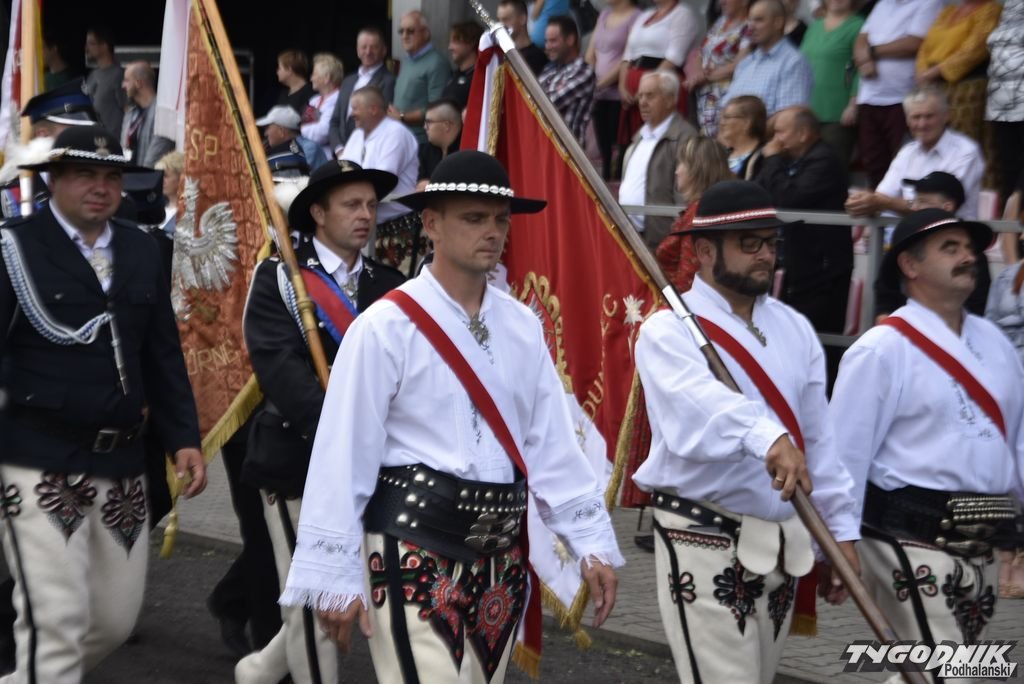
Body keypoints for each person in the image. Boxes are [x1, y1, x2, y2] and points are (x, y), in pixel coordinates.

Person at [279, 150, 623, 683]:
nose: (492, 232)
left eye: (500, 220)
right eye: (474, 218)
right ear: (432, 223)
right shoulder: (385, 327)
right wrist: (334, 577)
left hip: (501, 560)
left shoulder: (522, 325)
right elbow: (343, 455)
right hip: (411, 549)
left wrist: (590, 543)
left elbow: (551, 444)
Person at [0, 124, 206, 683]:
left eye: (111, 177)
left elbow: (162, 352)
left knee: (113, 621)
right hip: (36, 458)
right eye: (85, 174)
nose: (100, 187)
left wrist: (184, 437)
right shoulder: (14, 247)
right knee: (57, 622)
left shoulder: (143, 247)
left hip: (123, 462)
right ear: (53, 180)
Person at [633, 179, 860, 683]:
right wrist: (767, 436)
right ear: (704, 251)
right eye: (749, 242)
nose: (765, 255)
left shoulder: (794, 327)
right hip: (703, 536)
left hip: (782, 543)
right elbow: (698, 409)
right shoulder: (667, 330)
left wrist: (839, 531)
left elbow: (818, 440)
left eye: (770, 242)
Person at [235, 161, 406, 684]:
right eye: (351, 205)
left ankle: (258, 672)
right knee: (315, 597)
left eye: (371, 205)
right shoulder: (280, 279)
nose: (365, 215)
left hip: (374, 466)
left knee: (345, 591)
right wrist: (347, 437)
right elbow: (282, 375)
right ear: (317, 213)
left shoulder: (391, 285)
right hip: (298, 459)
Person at [829, 208, 1023, 650]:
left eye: (969, 248)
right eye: (949, 248)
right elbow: (844, 455)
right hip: (907, 538)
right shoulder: (881, 349)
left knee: (944, 670)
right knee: (945, 670)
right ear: (910, 265)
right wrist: (838, 541)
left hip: (982, 544)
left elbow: (1018, 441)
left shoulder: (995, 342)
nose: (968, 257)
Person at [755, 107, 852, 343]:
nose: (775, 140)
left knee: (817, 337)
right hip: (798, 263)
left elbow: (789, 198)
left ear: (803, 134)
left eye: (780, 132)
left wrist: (773, 159)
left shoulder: (824, 160)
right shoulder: (790, 160)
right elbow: (758, 191)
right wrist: (772, 162)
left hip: (823, 270)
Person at [846, 85, 985, 220]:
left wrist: (883, 203)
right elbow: (882, 195)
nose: (922, 124)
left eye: (929, 116)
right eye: (916, 117)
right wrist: (863, 201)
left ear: (946, 116)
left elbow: (940, 207)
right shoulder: (907, 152)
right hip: (903, 232)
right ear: (907, 120)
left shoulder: (966, 151)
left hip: (950, 232)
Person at [873, 171, 992, 317]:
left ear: (947, 207)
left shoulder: (976, 258)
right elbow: (885, 299)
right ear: (907, 264)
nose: (914, 207)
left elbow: (976, 308)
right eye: (914, 201)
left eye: (923, 201)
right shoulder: (904, 242)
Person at [852, 0, 943, 187]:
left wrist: (872, 51)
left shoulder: (928, 3)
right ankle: (878, 201)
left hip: (903, 98)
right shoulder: (883, 4)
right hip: (869, 96)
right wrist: (864, 59)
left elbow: (914, 43)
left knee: (904, 161)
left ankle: (901, 204)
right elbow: (861, 38)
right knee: (873, 161)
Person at [340, 86, 420, 273]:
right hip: (365, 225)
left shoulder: (396, 133)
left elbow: (382, 179)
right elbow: (344, 170)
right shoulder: (357, 135)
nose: (352, 114)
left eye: (356, 108)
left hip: (398, 228)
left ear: (373, 109)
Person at [619, 70, 697, 252]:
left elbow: (686, 195)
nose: (642, 102)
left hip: (661, 242)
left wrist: (677, 240)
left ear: (670, 100)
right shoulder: (640, 136)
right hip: (631, 236)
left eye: (650, 96)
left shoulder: (685, 137)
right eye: (640, 96)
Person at [915, 0, 1001, 155]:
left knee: (963, 142)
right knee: (935, 142)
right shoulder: (948, 11)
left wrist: (934, 72)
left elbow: (974, 51)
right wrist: (922, 72)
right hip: (935, 87)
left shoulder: (990, 10)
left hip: (967, 89)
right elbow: (925, 47)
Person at [618, 0, 700, 138]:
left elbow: (674, 57)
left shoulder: (683, 14)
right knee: (637, 138)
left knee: (662, 135)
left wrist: (645, 89)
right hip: (633, 86)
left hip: (660, 84)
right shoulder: (644, 16)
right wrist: (622, 86)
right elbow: (627, 55)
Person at [799, 0, 865, 168]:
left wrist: (853, 104)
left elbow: (861, 69)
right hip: (807, 113)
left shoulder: (860, 26)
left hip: (838, 115)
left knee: (832, 168)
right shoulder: (814, 27)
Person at [722, 0, 813, 117]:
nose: (750, 27)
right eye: (749, 20)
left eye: (758, 20)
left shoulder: (793, 63)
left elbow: (787, 118)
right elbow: (725, 106)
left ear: (778, 22)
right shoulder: (746, 63)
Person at [585, 0, 641, 180]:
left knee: (617, 149)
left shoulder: (635, 17)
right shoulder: (604, 15)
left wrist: (602, 83)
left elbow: (628, 56)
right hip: (598, 94)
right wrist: (590, 80)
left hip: (618, 95)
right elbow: (590, 53)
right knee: (603, 150)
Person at [686, 0, 752, 138]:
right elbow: (701, 52)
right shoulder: (720, 22)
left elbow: (740, 64)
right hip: (703, 92)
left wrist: (706, 76)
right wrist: (697, 73)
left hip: (726, 94)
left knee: (720, 137)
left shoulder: (749, 27)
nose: (721, 2)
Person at [328, 27, 397, 158]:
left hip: (368, 154)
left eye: (374, 47)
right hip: (340, 155)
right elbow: (334, 121)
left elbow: (381, 120)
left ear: (384, 50)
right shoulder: (348, 81)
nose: (368, 52)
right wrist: (339, 150)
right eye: (364, 47)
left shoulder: (389, 81)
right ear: (357, 50)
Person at [389, 11, 452, 145]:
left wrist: (401, 116)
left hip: (422, 142)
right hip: (400, 137)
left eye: (410, 31)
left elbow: (437, 108)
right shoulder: (407, 60)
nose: (404, 36)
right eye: (401, 31)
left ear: (426, 33)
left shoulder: (437, 63)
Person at [985, 0, 1024, 215]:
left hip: (1013, 100)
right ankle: (1010, 226)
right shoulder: (1007, 11)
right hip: (1001, 104)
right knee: (1008, 169)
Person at [538, 15, 596, 143]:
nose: (548, 46)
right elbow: (530, 96)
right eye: (546, 41)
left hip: (566, 150)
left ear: (570, 40)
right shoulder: (549, 70)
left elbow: (546, 104)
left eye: (553, 41)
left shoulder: (584, 71)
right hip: (543, 144)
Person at [120, 62, 174, 168]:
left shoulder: (163, 113)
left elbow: (155, 157)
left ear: (138, 83)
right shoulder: (130, 114)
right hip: (128, 175)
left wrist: (142, 175)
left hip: (147, 176)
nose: (123, 85)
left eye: (126, 80)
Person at [257, 105, 328, 173]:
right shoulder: (273, 148)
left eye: (267, 128)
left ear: (281, 131)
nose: (265, 133)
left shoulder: (307, 148)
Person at [301, 53, 344, 162]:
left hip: (327, 160)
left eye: (314, 74)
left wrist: (300, 130)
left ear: (326, 78)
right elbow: (305, 124)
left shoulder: (339, 100)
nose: (311, 78)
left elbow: (323, 133)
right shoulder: (314, 100)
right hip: (308, 154)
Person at [84, 25, 125, 140]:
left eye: (91, 43)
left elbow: (127, 109)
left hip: (113, 139)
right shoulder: (92, 75)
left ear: (104, 45)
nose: (87, 48)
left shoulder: (119, 75)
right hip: (94, 138)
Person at [717, 94, 768, 179]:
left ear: (747, 123)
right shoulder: (721, 154)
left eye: (727, 117)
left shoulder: (763, 158)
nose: (722, 123)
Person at [418, 98, 463, 188]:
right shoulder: (425, 151)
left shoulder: (465, 151)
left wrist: (433, 186)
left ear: (446, 125)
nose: (425, 127)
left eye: (428, 122)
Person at [497, 0, 550, 75]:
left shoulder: (537, 57)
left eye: (506, 19)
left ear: (523, 19)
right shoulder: (500, 55)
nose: (502, 25)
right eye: (500, 20)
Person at [444, 21, 482, 111]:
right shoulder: (454, 75)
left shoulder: (479, 77)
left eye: (455, 41)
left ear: (471, 42)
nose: (450, 47)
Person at [276, 49, 315, 116]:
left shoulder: (309, 93)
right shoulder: (284, 94)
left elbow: (311, 119)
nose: (277, 71)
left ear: (289, 69)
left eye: (279, 68)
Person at [154, 150, 184, 236]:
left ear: (181, 178)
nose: (160, 180)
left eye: (165, 176)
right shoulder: (155, 207)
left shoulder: (188, 214)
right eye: (159, 176)